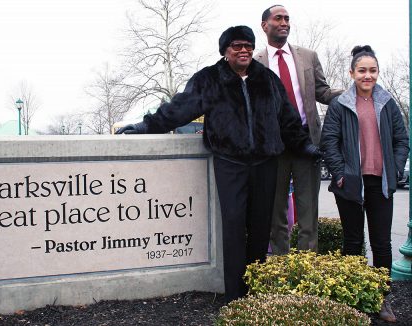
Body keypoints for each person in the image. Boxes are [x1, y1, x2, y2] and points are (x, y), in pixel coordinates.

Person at [116, 25, 321, 303]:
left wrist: (305, 146)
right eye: (237, 46)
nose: (244, 50)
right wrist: (145, 126)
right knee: (234, 227)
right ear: (225, 51)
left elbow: (287, 119)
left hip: (265, 163)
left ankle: (256, 291)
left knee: (261, 229)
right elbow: (179, 108)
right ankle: (234, 296)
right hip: (230, 163)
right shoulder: (209, 79)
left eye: (248, 45)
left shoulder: (268, 79)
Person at [321, 45, 409, 322]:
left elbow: (401, 140)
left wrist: (394, 169)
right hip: (349, 184)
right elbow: (329, 142)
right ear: (352, 73)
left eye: (372, 71)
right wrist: (340, 173)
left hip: (380, 183)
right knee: (353, 241)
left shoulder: (388, 103)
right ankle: (354, 297)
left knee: (382, 244)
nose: (367, 76)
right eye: (362, 70)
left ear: (377, 72)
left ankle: (381, 299)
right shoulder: (340, 104)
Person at [254, 5, 342, 255]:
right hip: (273, 147)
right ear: (265, 26)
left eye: (287, 19)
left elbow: (322, 92)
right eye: (278, 18)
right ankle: (282, 270)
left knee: (307, 214)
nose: (284, 22)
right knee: (275, 214)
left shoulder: (308, 56)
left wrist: (351, 92)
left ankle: (306, 272)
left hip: (306, 143)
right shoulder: (255, 63)